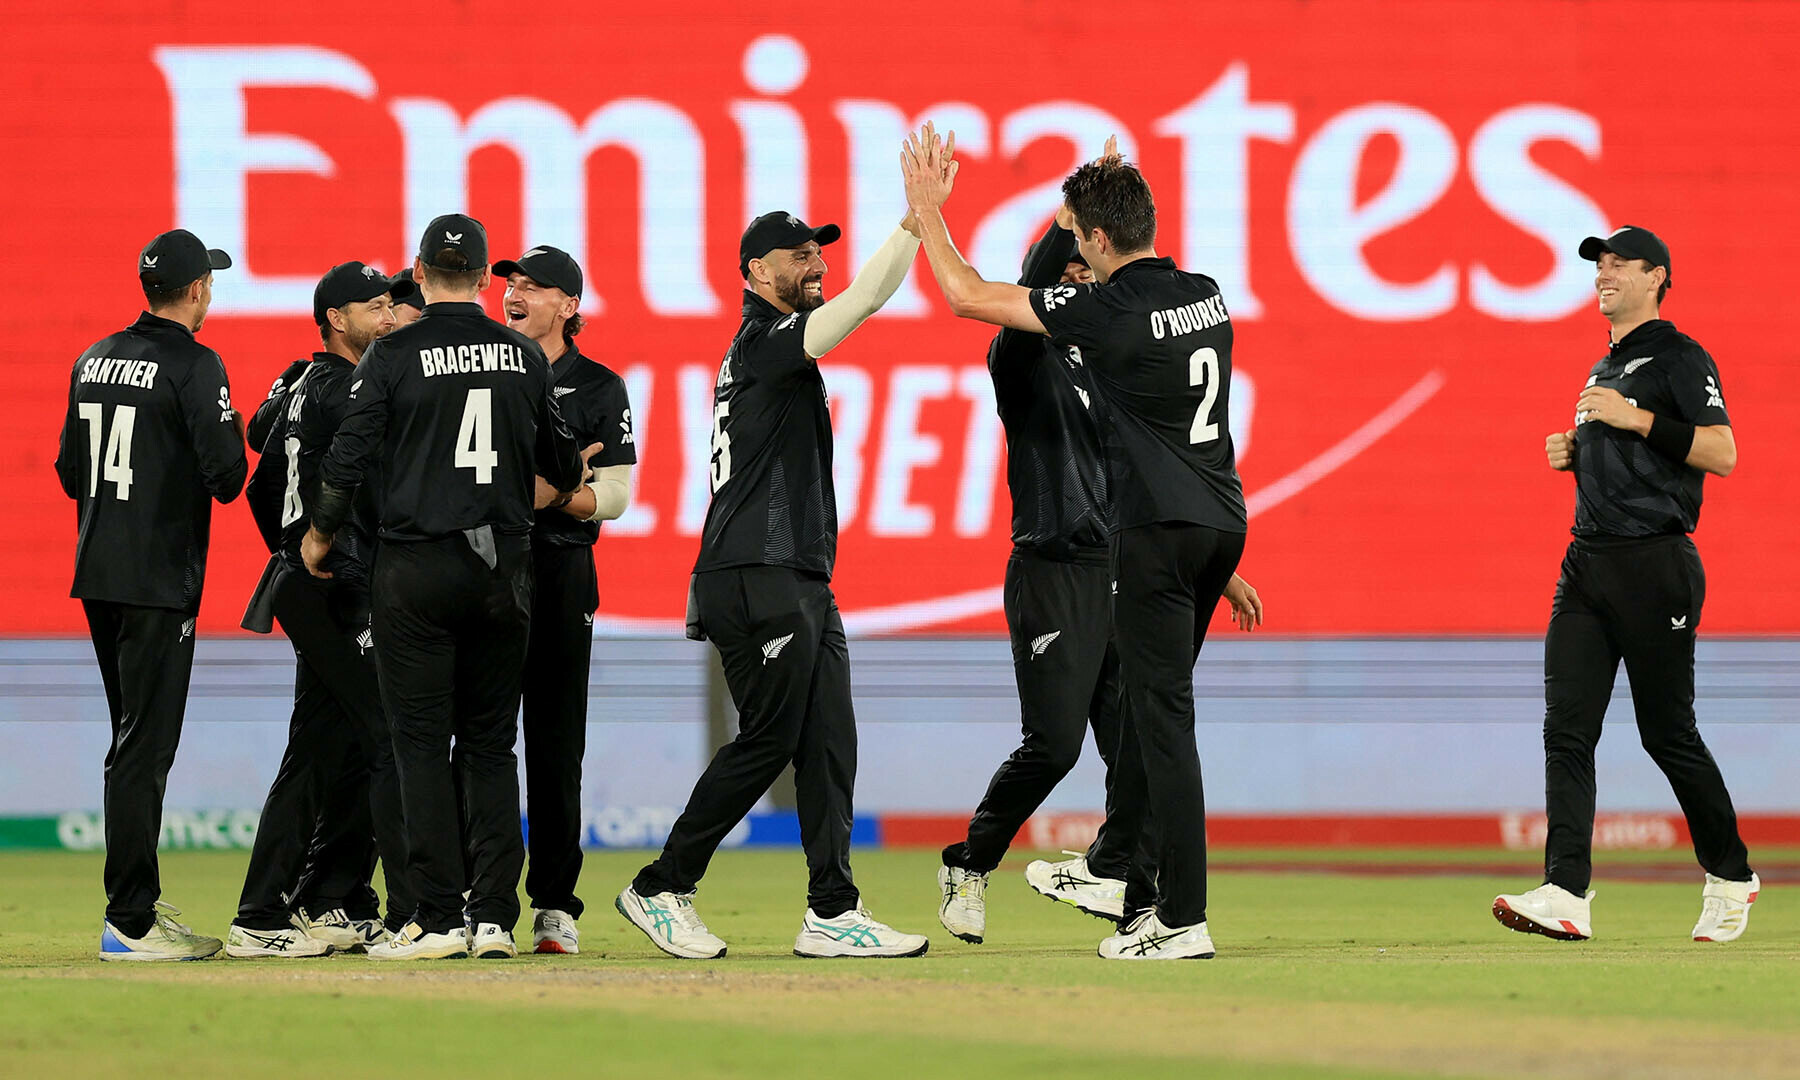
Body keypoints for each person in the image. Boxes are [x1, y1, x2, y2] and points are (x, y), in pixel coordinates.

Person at [903, 125, 1257, 960]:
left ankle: (1175, 917)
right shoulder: (1204, 293)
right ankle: (1121, 885)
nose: (1077, 274)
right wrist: (1090, 199)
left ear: (1096, 241)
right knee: (1119, 730)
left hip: (1148, 542)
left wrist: (928, 214)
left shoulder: (1103, 321)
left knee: (1156, 725)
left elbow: (964, 292)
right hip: (1209, 525)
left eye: (1082, 251)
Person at [615, 209, 931, 960]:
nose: (815, 263)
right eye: (798, 255)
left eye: (818, 251)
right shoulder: (763, 343)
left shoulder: (776, 353)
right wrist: (916, 227)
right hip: (755, 571)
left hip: (797, 576)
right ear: (758, 274)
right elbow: (864, 303)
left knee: (828, 742)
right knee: (769, 740)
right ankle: (663, 885)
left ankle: (832, 910)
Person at [304, 214, 584, 960]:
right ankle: (494, 916)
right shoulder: (523, 357)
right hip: (505, 571)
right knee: (492, 746)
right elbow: (562, 463)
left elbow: (347, 459)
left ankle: (433, 916)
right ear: (488, 280)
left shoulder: (392, 354)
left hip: (416, 568)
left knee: (420, 743)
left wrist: (319, 537)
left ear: (420, 276)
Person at [1493, 226, 1758, 943]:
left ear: (1657, 277)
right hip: (1587, 564)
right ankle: (1566, 892)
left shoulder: (1678, 355)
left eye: (1619, 264)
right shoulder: (1604, 364)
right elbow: (1631, 456)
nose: (1604, 274)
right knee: (1566, 730)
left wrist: (1632, 418)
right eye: (1598, 265)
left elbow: (1722, 452)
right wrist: (1577, 454)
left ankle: (1731, 875)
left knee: (1666, 733)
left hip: (1655, 565)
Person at [56, 228, 246, 961]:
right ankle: (129, 919)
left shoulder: (93, 357)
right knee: (143, 748)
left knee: (131, 739)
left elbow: (74, 473)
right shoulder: (197, 364)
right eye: (211, 283)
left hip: (98, 572)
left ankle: (135, 906)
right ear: (197, 289)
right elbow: (227, 477)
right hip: (159, 580)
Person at [227, 263, 416, 958]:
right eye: (375, 307)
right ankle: (281, 912)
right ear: (337, 319)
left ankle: (318, 899)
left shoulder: (303, 385)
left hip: (311, 582)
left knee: (329, 745)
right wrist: (323, 550)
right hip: (338, 583)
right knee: (381, 740)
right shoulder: (354, 390)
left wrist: (291, 547)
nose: (390, 317)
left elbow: (260, 479)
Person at [494, 245, 636, 954]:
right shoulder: (483, 371)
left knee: (554, 745)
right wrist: (557, 490)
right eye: (511, 284)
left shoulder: (600, 385)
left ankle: (553, 905)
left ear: (570, 306)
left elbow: (614, 496)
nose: (514, 294)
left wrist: (549, 496)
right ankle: (481, 900)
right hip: (486, 569)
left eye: (533, 286)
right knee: (481, 738)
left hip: (560, 572)